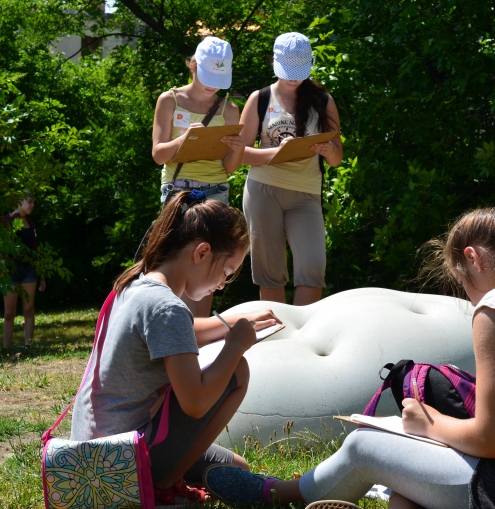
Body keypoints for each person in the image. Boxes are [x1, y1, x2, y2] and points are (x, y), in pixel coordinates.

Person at [202, 204, 495, 509]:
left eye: (462, 283)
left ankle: (276, 495)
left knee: (367, 445)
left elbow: (493, 439)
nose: (470, 296)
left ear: (471, 258)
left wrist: (428, 424)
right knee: (405, 498)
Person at [70, 191, 280, 505]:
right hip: (123, 460)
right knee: (238, 370)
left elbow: (178, 333)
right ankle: (164, 484)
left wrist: (233, 321)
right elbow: (195, 403)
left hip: (88, 457)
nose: (222, 285)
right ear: (202, 252)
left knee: (237, 466)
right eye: (225, 272)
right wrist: (235, 345)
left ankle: (175, 476)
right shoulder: (167, 307)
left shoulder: (135, 285)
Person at [239, 32, 343, 306]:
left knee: (313, 268)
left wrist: (329, 149)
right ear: (274, 62)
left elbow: (336, 159)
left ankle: (302, 340)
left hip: (306, 192)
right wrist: (278, 153)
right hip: (263, 191)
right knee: (270, 273)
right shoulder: (259, 99)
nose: (293, 78)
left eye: (298, 71)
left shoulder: (323, 100)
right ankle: (276, 339)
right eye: (287, 71)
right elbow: (239, 153)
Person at [152, 35, 245, 318]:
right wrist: (185, 141)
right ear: (192, 65)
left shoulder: (230, 109)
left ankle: (199, 336)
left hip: (216, 190)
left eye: (219, 77)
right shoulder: (169, 100)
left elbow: (228, 168)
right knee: (174, 260)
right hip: (177, 190)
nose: (212, 84)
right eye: (207, 75)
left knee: (209, 269)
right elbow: (158, 154)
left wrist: (239, 150)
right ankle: (170, 327)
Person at [2, 193, 45, 349]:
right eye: (30, 202)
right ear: (19, 202)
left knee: (28, 308)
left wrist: (41, 275)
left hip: (29, 271)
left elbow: (35, 250)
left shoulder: (31, 224)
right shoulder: (6, 221)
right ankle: (6, 347)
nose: (32, 205)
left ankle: (28, 346)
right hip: (10, 271)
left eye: (33, 202)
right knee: (9, 313)